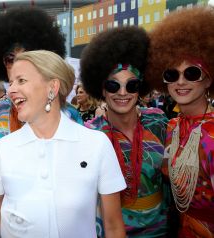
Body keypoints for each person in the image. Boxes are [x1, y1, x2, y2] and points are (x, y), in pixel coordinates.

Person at [0, 50, 127, 237]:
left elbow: (114, 227)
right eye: (11, 82)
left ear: (52, 87)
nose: (11, 90)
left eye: (21, 80)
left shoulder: (96, 144)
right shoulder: (4, 148)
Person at [81, 26, 170, 237]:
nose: (122, 93)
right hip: (113, 228)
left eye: (131, 85)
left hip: (161, 229)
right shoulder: (91, 133)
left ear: (141, 88)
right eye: (113, 85)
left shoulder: (157, 121)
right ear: (102, 89)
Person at [145, 6, 214, 237]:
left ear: (208, 80)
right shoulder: (173, 126)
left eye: (192, 73)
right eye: (172, 74)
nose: (181, 82)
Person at [0, 7, 82, 152]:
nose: (18, 64)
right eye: (11, 59)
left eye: (27, 57)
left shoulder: (70, 113)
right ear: (2, 63)